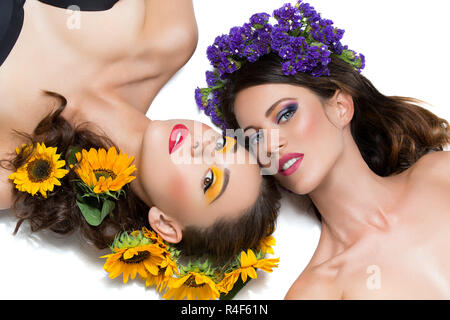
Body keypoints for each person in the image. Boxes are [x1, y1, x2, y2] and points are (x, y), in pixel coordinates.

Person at [196, 0, 450, 299]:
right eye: (254, 139)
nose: (271, 145)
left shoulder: (441, 174)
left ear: (341, 107)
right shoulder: (316, 292)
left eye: (286, 114)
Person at [0, 0, 281, 266]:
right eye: (222, 145)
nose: (202, 147)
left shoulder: (13, 171)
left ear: (166, 224)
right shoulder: (170, 37)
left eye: (208, 180)